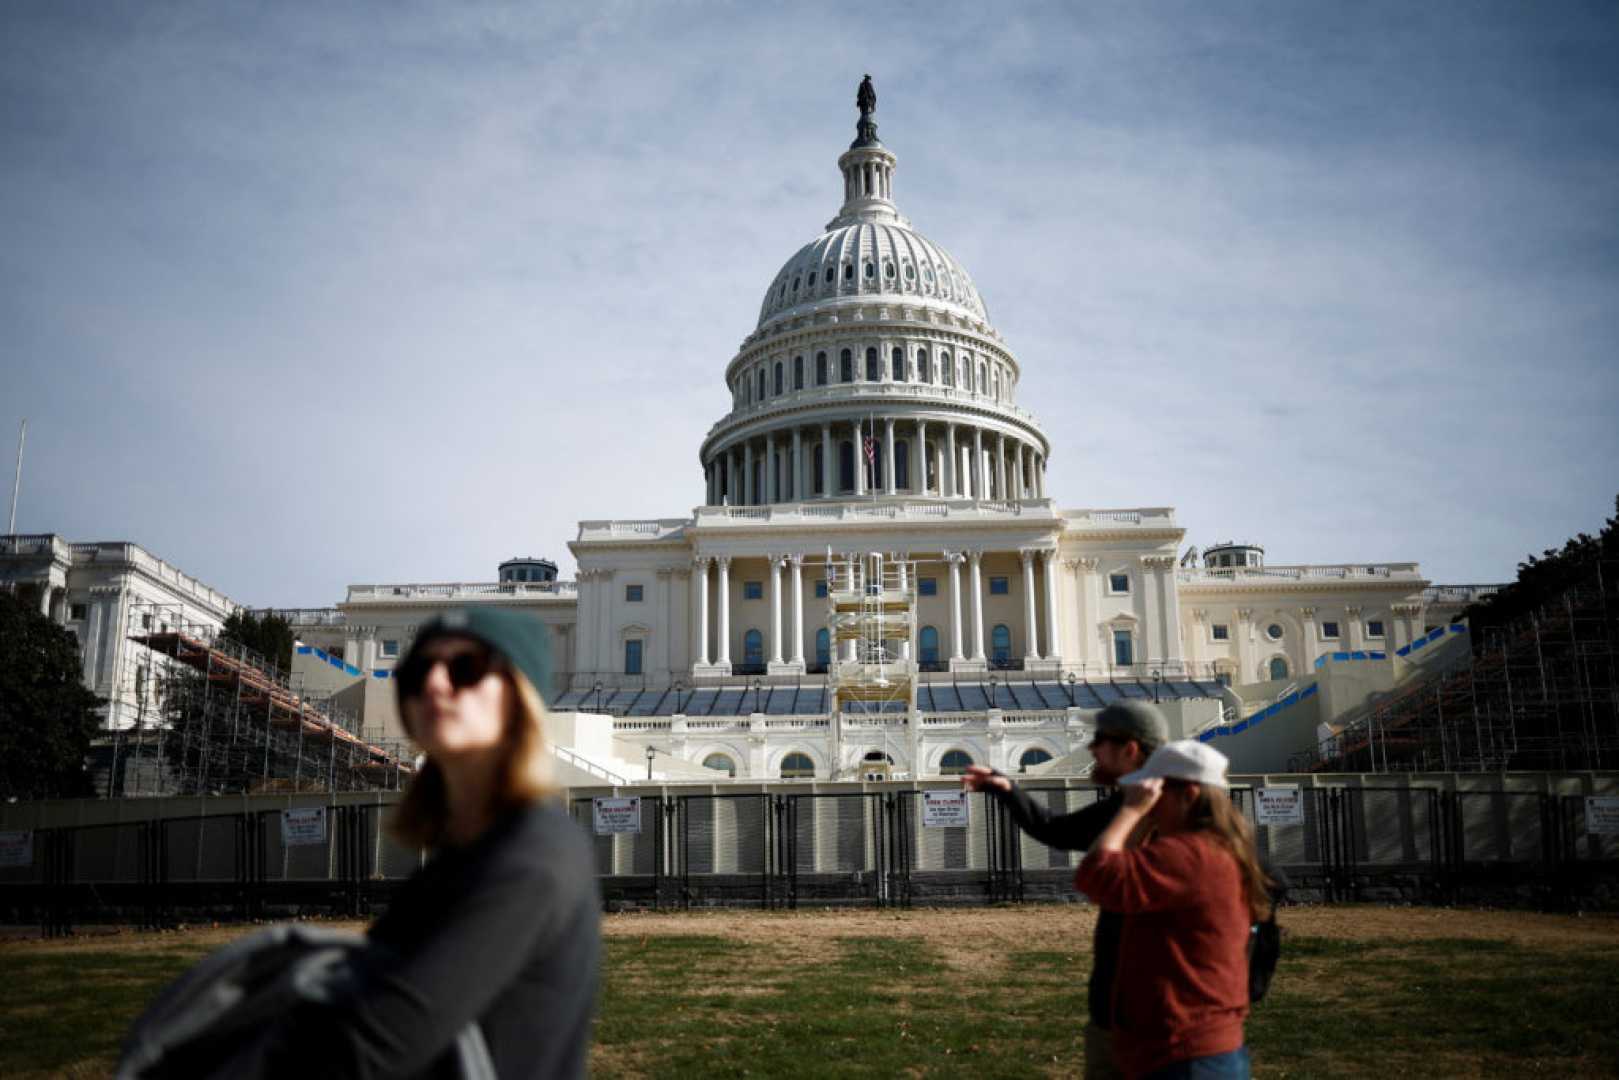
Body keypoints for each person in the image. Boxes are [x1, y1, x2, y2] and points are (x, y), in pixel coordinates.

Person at [266, 607, 601, 1079]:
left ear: (519, 698)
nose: (436, 684)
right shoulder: (468, 848)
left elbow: (379, 1041)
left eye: (466, 669)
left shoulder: (533, 852)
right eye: (418, 671)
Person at [960, 700, 1168, 1080]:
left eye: (1099, 740)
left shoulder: (1168, 809)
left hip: (1157, 1011)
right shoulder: (1127, 804)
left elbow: (1092, 872)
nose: (1091, 748)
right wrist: (1007, 789)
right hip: (1120, 1004)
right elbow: (1056, 830)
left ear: (1130, 750)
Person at [1074, 741, 1272, 1080]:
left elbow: (1096, 876)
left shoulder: (1188, 856)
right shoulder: (1215, 850)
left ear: (1189, 794)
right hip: (1197, 1047)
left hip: (1184, 1053)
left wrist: (1132, 811)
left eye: (1156, 792)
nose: (1149, 802)